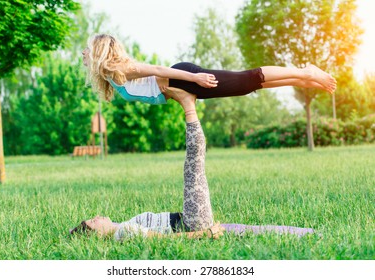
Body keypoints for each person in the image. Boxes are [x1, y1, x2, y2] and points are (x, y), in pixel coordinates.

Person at [70, 88, 315, 241]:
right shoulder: (122, 233)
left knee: (245, 230)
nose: (98, 216)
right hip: (191, 223)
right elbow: (162, 240)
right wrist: (204, 234)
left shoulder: (122, 228)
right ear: (95, 234)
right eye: (93, 221)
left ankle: (306, 234)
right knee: (193, 166)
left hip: (189, 218)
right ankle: (188, 103)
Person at [83, 34, 337, 105]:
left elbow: (159, 69)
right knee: (246, 86)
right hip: (185, 84)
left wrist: (195, 77)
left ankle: (305, 71)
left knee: (247, 78)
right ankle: (300, 80)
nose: (83, 54)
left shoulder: (121, 68)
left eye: (86, 50)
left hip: (186, 78)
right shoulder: (110, 76)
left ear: (98, 53)